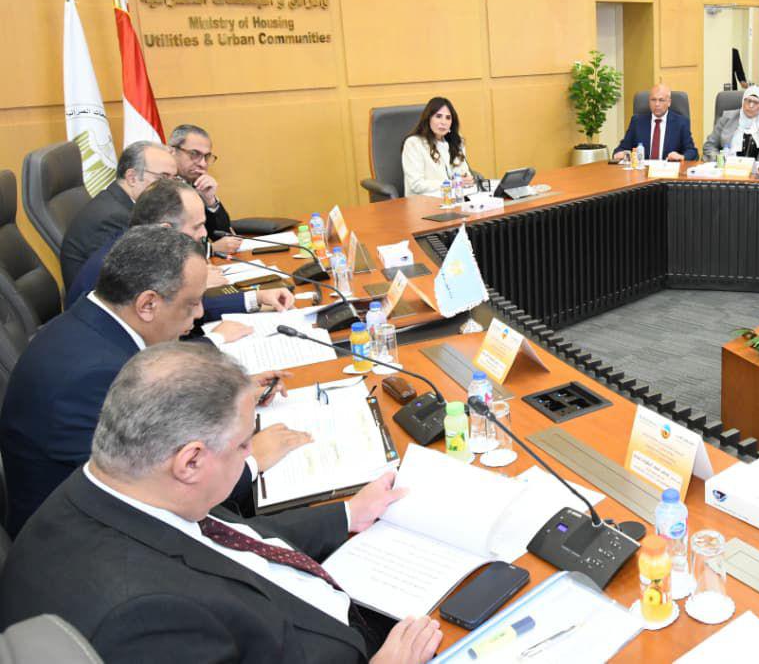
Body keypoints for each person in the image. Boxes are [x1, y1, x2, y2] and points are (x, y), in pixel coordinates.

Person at [0, 343, 444, 664]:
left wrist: (348, 514)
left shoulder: (120, 484)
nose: (252, 454)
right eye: (244, 444)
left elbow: (240, 541)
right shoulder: (145, 621)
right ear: (191, 461)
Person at [0, 227, 302, 535]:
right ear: (147, 305)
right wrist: (251, 461)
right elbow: (152, 492)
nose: (199, 312)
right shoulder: (91, 377)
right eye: (191, 303)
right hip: (85, 540)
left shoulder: (95, 325)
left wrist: (229, 400)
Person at [65, 179, 294, 332]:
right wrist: (216, 340)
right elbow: (152, 351)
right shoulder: (129, 269)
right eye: (197, 227)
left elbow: (183, 307)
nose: (204, 234)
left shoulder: (143, 247)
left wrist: (256, 298)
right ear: (165, 230)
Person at [60, 140, 176, 288]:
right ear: (132, 178)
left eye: (174, 179)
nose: (172, 188)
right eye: (164, 178)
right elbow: (130, 278)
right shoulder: (114, 219)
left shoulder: (126, 203)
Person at [170, 124, 240, 254]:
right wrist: (210, 249)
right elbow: (164, 248)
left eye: (206, 157)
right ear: (172, 152)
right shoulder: (158, 188)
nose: (203, 164)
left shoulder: (195, 185)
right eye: (194, 154)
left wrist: (210, 201)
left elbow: (224, 238)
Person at [401, 97, 476, 197]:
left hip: (453, 198)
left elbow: (463, 174)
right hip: (423, 201)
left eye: (448, 118)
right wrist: (451, 183)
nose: (443, 122)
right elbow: (416, 185)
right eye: (438, 116)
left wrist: (466, 180)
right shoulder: (413, 143)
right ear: (428, 118)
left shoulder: (456, 141)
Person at [702, 86, 759, 162]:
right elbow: (710, 145)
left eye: (756, 102)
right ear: (743, 101)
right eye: (748, 101)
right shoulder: (727, 118)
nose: (751, 105)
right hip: (728, 168)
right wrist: (720, 160)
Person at [613, 84, 697, 161]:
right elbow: (622, 148)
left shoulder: (681, 123)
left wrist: (681, 157)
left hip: (668, 170)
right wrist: (620, 154)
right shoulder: (637, 122)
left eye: (661, 100)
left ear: (669, 102)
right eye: (653, 100)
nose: (657, 104)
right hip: (642, 170)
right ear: (649, 101)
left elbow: (692, 151)